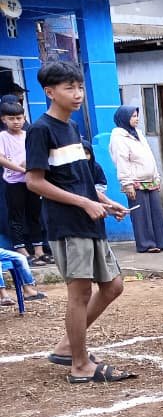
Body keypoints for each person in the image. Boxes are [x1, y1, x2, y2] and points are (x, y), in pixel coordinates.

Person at [22, 61, 136, 383]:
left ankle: (66, 347)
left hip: (89, 221)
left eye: (80, 87)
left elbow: (80, 180)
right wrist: (84, 203)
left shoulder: (72, 128)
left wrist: (105, 202)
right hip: (68, 224)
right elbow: (34, 182)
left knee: (113, 286)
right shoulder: (40, 130)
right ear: (49, 92)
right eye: (69, 88)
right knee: (80, 293)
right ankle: (80, 365)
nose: (77, 94)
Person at [108, 105, 163, 254]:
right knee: (141, 215)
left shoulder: (138, 133)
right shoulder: (118, 138)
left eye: (137, 115)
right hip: (135, 181)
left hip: (150, 179)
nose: (136, 119)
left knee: (157, 212)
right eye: (133, 116)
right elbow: (122, 161)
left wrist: (156, 176)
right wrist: (127, 183)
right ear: (124, 118)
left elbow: (149, 156)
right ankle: (146, 244)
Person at [0, 98, 54, 265]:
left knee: (35, 215)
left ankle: (39, 250)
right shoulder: (3, 136)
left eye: (19, 118)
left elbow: (39, 152)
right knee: (16, 216)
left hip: (33, 180)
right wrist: (21, 169)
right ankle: (21, 250)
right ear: (4, 119)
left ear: (24, 118)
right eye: (11, 118)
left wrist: (31, 166)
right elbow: (1, 158)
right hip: (13, 182)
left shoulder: (29, 134)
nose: (16, 122)